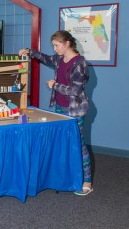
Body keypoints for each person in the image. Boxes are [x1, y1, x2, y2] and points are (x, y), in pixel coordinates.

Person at [19, 30, 93, 196]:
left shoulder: (79, 63)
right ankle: (68, 178)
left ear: (67, 43)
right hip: (60, 108)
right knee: (63, 144)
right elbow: (45, 58)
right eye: (53, 45)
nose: (55, 49)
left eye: (57, 45)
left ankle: (87, 181)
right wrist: (30, 52)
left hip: (75, 110)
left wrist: (55, 85)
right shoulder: (59, 59)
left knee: (79, 145)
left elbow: (75, 90)